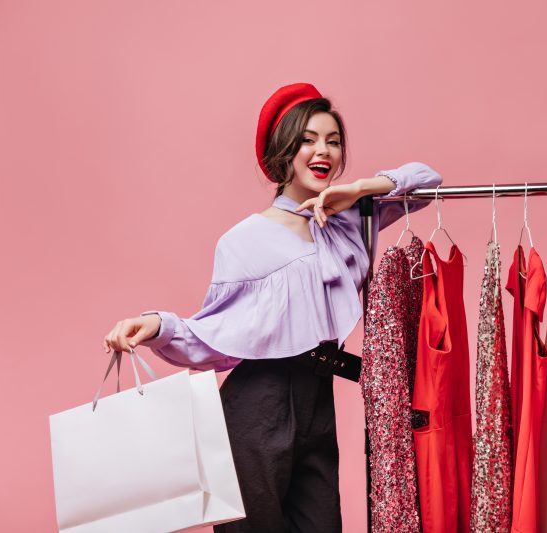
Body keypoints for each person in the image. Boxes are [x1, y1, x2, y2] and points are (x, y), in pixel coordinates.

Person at [101, 82, 442, 532]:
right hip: (257, 409)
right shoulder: (245, 240)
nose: (323, 152)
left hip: (318, 405)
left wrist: (358, 188)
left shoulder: (351, 220)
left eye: (334, 141)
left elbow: (428, 181)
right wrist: (156, 324)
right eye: (308, 140)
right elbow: (213, 337)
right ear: (284, 151)